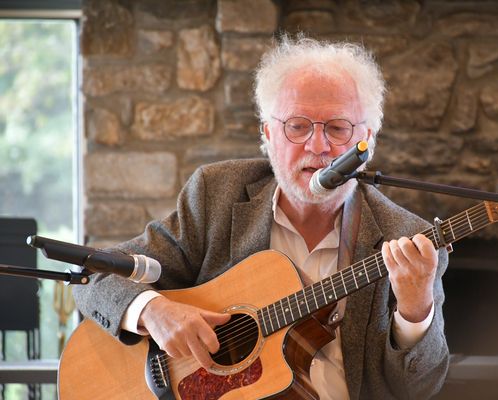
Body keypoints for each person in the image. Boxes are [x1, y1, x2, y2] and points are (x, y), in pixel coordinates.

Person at [73, 35, 449, 399]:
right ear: (268, 134)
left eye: (337, 128)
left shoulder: (409, 239)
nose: (318, 146)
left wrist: (415, 311)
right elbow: (93, 273)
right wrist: (154, 312)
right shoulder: (217, 195)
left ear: (368, 139)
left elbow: (419, 389)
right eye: (297, 126)